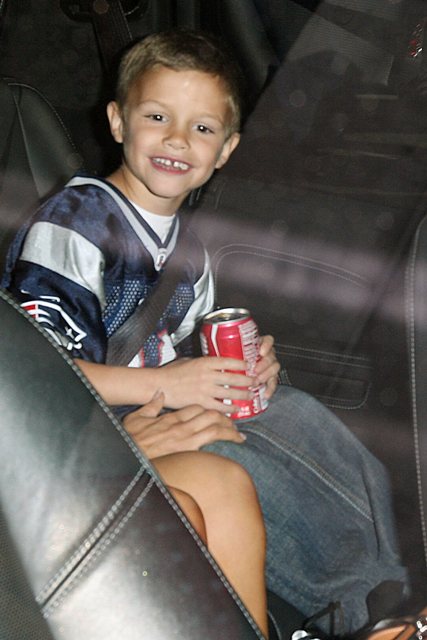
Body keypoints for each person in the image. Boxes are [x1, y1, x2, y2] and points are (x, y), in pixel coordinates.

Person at [1, 29, 408, 634]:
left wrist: (248, 369)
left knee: (299, 415)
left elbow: (188, 346)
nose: (176, 139)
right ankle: (364, 612)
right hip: (78, 427)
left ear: (225, 150)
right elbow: (35, 373)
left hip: (152, 404)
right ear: (117, 122)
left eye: (201, 128)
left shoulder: (189, 246)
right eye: (157, 116)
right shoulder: (76, 222)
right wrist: (168, 386)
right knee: (234, 457)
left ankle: (392, 591)